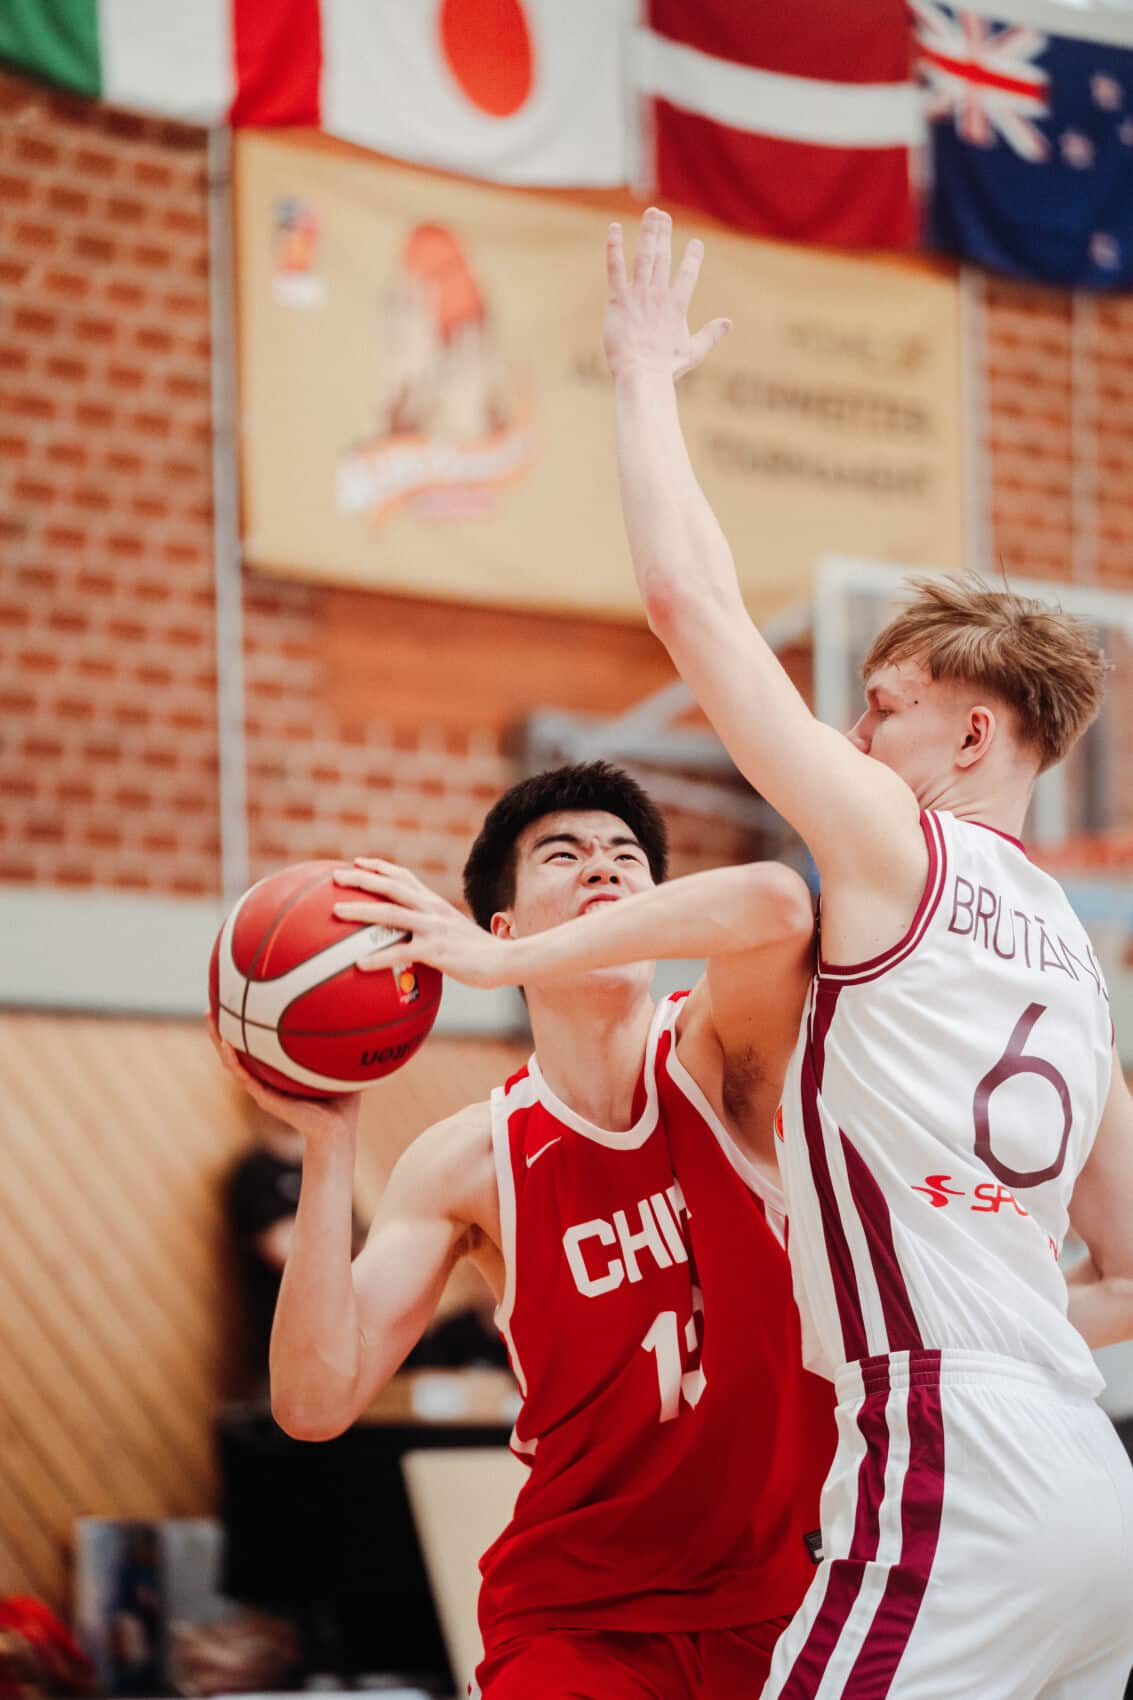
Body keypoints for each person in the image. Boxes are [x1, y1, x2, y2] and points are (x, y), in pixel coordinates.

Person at [601, 206, 1133, 1697]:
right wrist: (1003, 1304)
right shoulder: (1078, 965)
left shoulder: (901, 848)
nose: (849, 731)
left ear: (972, 733)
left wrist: (640, 379)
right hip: (1090, 1485)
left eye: (883, 705)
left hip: (950, 1463)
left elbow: (688, 604)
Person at [211, 761, 835, 1699]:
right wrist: (330, 1143)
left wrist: (498, 967)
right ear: (500, 926)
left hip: (784, 1602)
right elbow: (313, 1401)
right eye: (564, 855)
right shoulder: (469, 1159)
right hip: (578, 1618)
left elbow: (780, 904)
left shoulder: (724, 1058)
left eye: (626, 858)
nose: (603, 867)